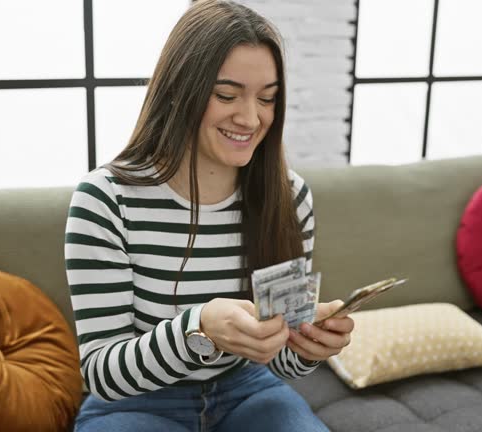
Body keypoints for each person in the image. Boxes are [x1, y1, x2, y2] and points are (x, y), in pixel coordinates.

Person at [64, 1, 354, 430]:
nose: (251, 117)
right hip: (135, 404)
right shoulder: (107, 200)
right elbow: (103, 374)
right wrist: (197, 329)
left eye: (268, 98)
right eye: (226, 95)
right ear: (180, 90)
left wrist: (310, 346)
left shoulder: (289, 197)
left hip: (249, 390)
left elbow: (284, 364)